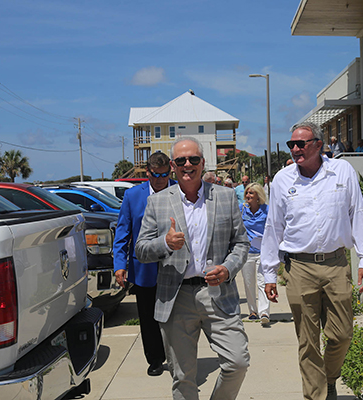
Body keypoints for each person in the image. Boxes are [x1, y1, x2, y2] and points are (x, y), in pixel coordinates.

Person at [261, 122, 363, 400]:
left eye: (301, 143)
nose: (295, 149)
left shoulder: (343, 171)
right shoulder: (283, 180)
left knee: (342, 335)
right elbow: (273, 228)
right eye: (292, 144)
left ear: (319, 145)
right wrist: (269, 274)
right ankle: (317, 395)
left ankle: (329, 377)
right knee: (308, 341)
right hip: (299, 267)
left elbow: (357, 214)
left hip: (337, 264)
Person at [135, 137, 250, 400]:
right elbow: (141, 249)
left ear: (203, 162)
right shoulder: (158, 202)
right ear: (173, 166)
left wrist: (228, 269)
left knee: (237, 362)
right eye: (181, 161)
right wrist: (164, 242)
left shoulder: (226, 196)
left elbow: (241, 243)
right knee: (183, 377)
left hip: (218, 295)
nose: (188, 165)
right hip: (177, 298)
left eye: (193, 159)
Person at [113, 152, 175, 376]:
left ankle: (177, 356)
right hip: (144, 268)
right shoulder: (132, 196)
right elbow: (123, 232)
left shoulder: (179, 191)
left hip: (175, 266)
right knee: (149, 318)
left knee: (176, 316)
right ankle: (156, 359)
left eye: (165, 174)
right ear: (147, 172)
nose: (160, 179)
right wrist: (119, 264)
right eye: (156, 175)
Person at [239, 182, 270, 325]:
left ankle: (264, 312)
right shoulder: (241, 209)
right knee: (249, 282)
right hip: (247, 252)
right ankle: (252, 311)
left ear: (258, 195)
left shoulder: (267, 210)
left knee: (263, 282)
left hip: (263, 252)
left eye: (251, 193)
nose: (248, 195)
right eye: (247, 193)